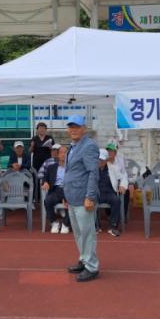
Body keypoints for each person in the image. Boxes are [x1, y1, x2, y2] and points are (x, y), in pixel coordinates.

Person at [63, 115, 100, 282]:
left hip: (84, 197)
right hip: (73, 196)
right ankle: (84, 259)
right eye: (71, 127)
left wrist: (90, 196)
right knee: (79, 233)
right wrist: (66, 195)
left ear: (83, 128)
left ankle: (92, 267)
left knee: (87, 234)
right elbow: (71, 172)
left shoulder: (89, 146)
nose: (73, 130)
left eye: (76, 127)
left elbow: (93, 172)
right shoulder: (72, 146)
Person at [42, 145, 70, 234]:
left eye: (65, 153)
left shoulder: (72, 168)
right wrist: (45, 182)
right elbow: (45, 177)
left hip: (68, 190)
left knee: (73, 201)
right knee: (48, 201)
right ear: (57, 155)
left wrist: (66, 196)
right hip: (55, 190)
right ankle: (54, 222)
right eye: (61, 152)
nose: (63, 155)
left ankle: (66, 224)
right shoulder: (51, 167)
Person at [97, 149, 122, 237]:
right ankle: (96, 225)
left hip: (110, 192)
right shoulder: (92, 169)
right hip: (97, 193)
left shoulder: (113, 168)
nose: (100, 161)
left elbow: (123, 178)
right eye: (99, 159)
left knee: (116, 200)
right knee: (91, 200)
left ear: (106, 160)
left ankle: (113, 226)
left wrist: (122, 185)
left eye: (102, 160)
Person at [105, 142, 131, 221]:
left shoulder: (119, 160)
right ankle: (110, 215)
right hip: (106, 186)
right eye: (108, 151)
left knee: (126, 192)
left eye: (111, 151)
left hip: (117, 185)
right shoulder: (103, 161)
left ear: (115, 153)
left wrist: (123, 185)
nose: (109, 152)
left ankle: (122, 215)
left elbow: (124, 174)